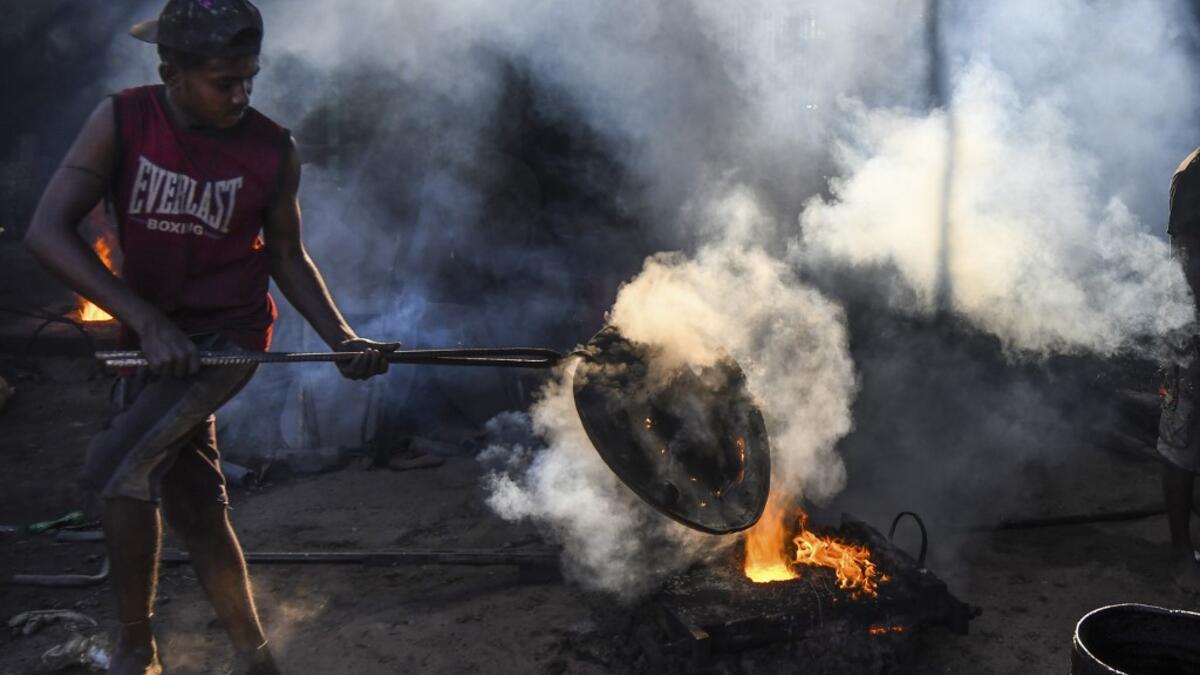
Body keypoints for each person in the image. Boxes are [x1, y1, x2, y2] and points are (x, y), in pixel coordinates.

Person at [23, 1, 398, 672]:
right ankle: (255, 656)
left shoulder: (271, 147)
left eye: (249, 77)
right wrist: (145, 320)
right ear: (171, 71)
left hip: (228, 336)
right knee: (194, 501)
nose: (241, 94)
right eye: (224, 81)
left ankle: (136, 650)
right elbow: (45, 230)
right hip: (157, 335)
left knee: (116, 466)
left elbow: (287, 256)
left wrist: (342, 337)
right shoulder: (122, 120)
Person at [1159, 146, 1200, 592]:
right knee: (1183, 440)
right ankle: (1179, 552)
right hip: (1192, 326)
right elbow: (1188, 261)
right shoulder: (1195, 173)